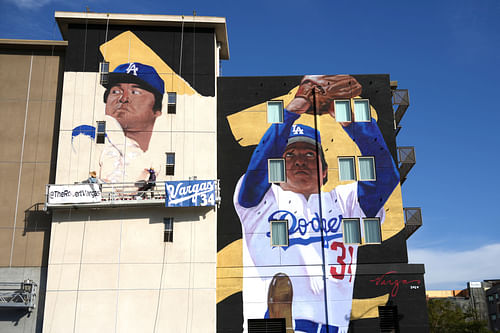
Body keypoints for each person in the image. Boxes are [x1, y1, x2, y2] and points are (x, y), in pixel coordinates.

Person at [233, 75, 400, 333]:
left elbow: (387, 176)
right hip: (271, 325)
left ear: (324, 171)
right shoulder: (261, 203)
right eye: (290, 155)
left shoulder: (344, 201)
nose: (300, 160)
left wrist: (346, 116)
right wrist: (293, 110)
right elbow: (258, 169)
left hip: (334, 326)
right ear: (277, 166)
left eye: (310, 154)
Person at [72, 62, 164, 184]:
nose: (123, 98)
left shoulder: (156, 159)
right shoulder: (89, 143)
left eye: (135, 92)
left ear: (157, 110)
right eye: (116, 91)